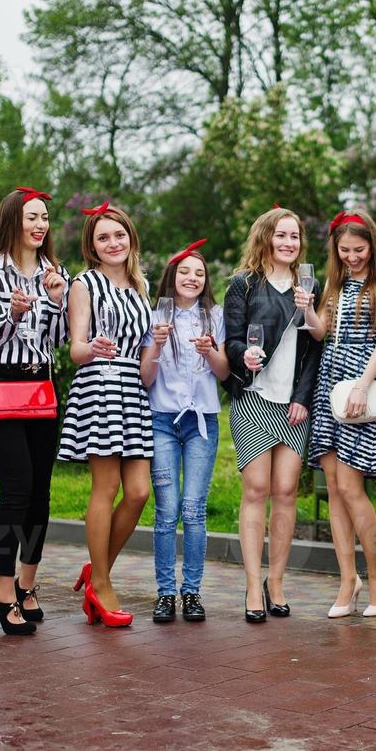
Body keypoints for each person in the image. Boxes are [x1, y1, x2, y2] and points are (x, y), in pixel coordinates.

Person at [0, 186, 69, 636]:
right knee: (16, 490)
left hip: (40, 387)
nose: (40, 225)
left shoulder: (54, 272)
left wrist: (54, 300)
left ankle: (28, 585)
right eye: (31, 217)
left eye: (44, 218)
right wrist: (13, 311)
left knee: (41, 493)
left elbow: (61, 337)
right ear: (13, 220)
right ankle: (2, 592)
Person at [222, 207, 323, 623]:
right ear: (265, 237)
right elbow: (230, 341)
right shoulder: (243, 285)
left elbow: (316, 347)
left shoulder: (308, 285)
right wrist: (242, 355)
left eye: (295, 236)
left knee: (285, 492)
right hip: (254, 399)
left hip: (293, 405)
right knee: (256, 489)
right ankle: (251, 584)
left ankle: (276, 582)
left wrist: (303, 396)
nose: (288, 243)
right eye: (281, 235)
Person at [62, 202, 153, 629]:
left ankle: (96, 573)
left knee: (138, 492)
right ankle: (102, 583)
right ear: (92, 246)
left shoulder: (140, 287)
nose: (113, 243)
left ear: (130, 239)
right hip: (100, 385)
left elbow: (147, 347)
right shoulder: (84, 284)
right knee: (108, 485)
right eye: (103, 238)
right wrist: (91, 348)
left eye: (118, 235)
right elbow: (75, 348)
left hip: (134, 390)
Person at [304, 210, 376, 619]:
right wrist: (308, 308)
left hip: (361, 382)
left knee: (351, 485)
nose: (351, 257)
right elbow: (321, 332)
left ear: (371, 247)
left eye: (358, 250)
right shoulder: (334, 282)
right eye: (344, 251)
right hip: (329, 380)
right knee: (334, 486)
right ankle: (348, 579)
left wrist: (362, 384)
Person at [141, 238, 230, 623]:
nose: (192, 278)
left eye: (199, 273)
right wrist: (157, 347)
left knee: (193, 510)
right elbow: (145, 378)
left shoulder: (217, 316)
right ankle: (165, 593)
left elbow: (225, 373)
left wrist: (210, 350)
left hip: (200, 423)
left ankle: (191, 591)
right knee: (166, 511)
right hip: (160, 420)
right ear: (171, 278)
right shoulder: (154, 317)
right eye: (184, 272)